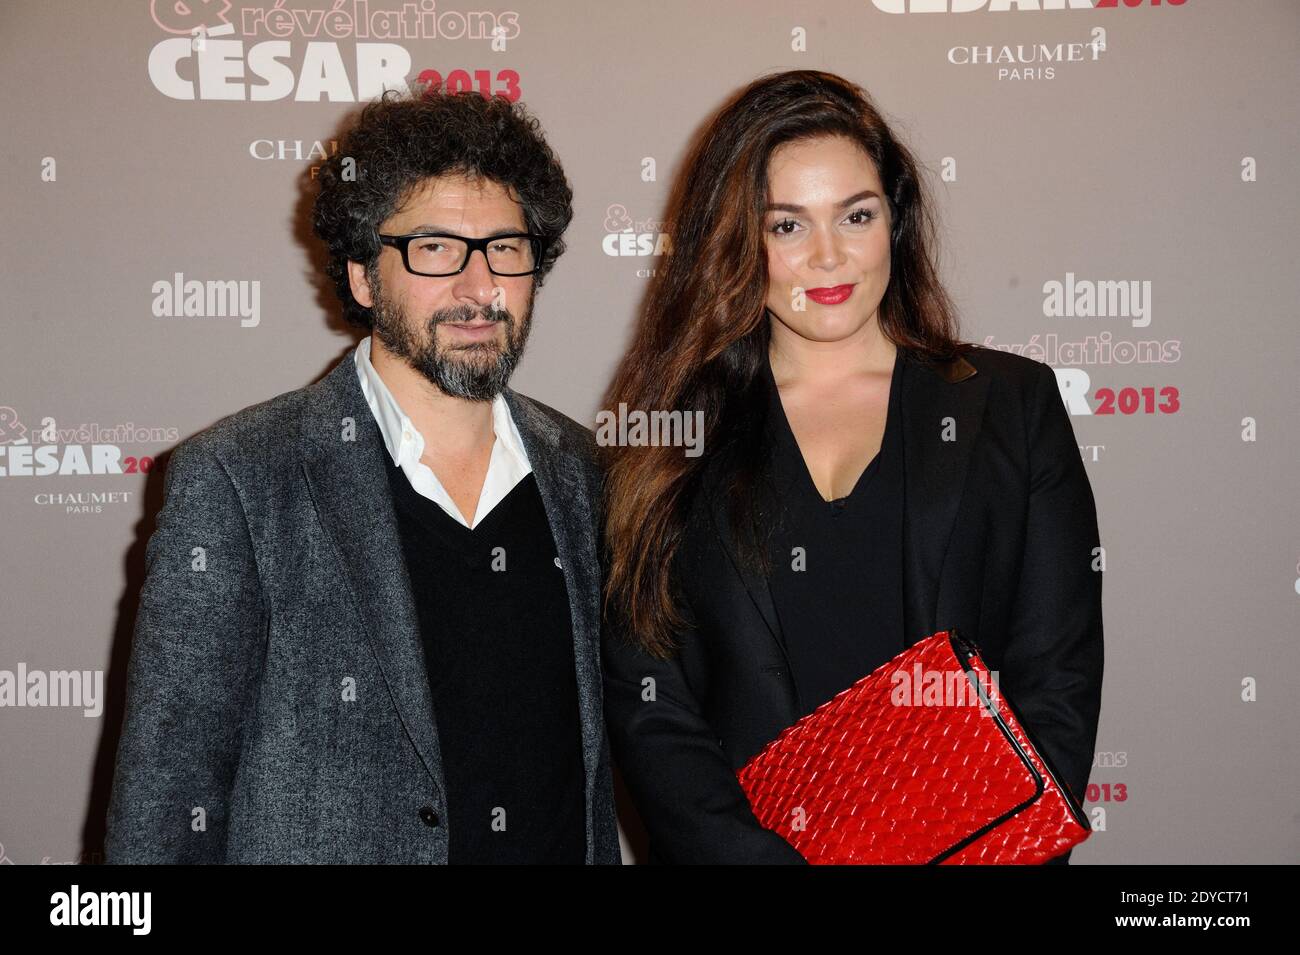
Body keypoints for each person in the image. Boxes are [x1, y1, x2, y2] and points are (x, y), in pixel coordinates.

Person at [105, 84, 621, 864]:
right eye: (435, 248)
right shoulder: (243, 478)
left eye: (505, 249)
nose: (479, 288)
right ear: (360, 275)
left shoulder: (586, 477)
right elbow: (165, 810)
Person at [599, 69, 1103, 865]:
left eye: (856, 215)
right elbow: (649, 703)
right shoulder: (668, 437)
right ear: (735, 239)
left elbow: (1058, 678)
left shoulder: (1013, 404)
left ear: (893, 222)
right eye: (787, 226)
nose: (829, 257)